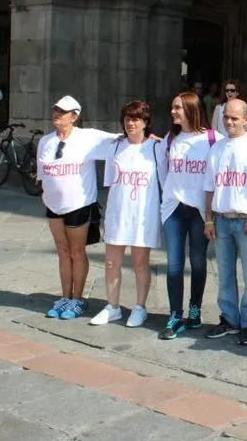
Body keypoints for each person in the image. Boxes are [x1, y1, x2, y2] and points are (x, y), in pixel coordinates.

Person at [36, 96, 121, 320]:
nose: (57, 114)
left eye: (63, 111)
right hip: (53, 205)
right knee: (62, 251)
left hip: (79, 204)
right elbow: (42, 173)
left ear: (74, 116)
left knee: (76, 251)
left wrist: (150, 139)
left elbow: (120, 140)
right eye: (55, 110)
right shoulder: (45, 141)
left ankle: (78, 299)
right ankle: (65, 296)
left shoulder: (88, 137)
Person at [203, 99, 247, 345]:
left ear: (246, 119)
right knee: (224, 275)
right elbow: (209, 187)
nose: (229, 122)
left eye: (235, 118)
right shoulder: (217, 148)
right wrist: (208, 220)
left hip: (246, 220)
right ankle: (229, 319)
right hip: (222, 219)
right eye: (226, 117)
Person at [89, 101, 167, 328]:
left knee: (140, 262)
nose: (131, 123)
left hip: (144, 213)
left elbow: (167, 178)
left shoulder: (157, 148)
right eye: (127, 119)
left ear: (145, 122)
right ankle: (112, 306)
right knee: (111, 261)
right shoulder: (115, 147)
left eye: (136, 119)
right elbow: (110, 180)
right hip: (118, 211)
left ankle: (140, 307)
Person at [158, 92, 221, 339]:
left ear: (191, 109)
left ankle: (195, 310)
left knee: (198, 261)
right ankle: (175, 315)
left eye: (178, 108)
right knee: (174, 263)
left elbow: (237, 145)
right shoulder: (170, 139)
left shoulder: (212, 139)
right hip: (174, 208)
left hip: (200, 210)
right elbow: (163, 171)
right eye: (172, 107)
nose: (173, 111)